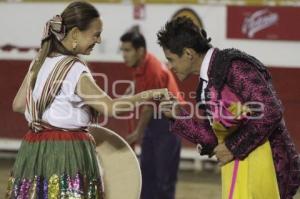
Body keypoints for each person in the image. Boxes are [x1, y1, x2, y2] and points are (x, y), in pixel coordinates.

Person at [6, 1, 168, 198]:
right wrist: (149, 94)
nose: (98, 40)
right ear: (75, 34)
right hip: (67, 151)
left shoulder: (39, 61)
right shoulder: (74, 69)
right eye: (96, 34)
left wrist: (47, 120)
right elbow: (111, 108)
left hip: (34, 149)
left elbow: (18, 105)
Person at [157, 17, 300, 199]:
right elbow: (211, 139)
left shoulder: (233, 66)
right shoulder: (205, 84)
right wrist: (178, 115)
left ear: (188, 53)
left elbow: (270, 111)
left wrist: (233, 147)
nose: (170, 66)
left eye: (171, 59)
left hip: (271, 167)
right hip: (243, 168)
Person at [120, 29, 182, 199]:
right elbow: (138, 84)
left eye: (127, 50)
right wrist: (129, 93)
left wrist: (137, 133)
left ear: (139, 51)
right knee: (147, 174)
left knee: (163, 178)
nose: (124, 55)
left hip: (169, 122)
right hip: (157, 122)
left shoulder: (152, 69)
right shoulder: (141, 64)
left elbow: (148, 107)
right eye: (122, 50)